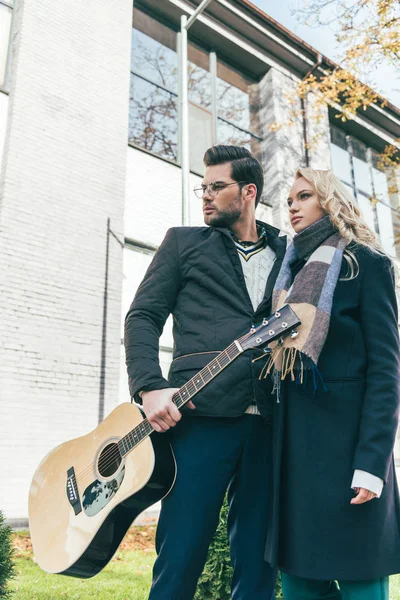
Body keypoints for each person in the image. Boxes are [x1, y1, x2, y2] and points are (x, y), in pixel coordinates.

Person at [124, 144, 286, 600]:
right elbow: (142, 317)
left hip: (273, 423)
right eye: (204, 186)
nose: (206, 195)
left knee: (258, 564)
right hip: (200, 416)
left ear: (248, 191)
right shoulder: (182, 242)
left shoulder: (290, 251)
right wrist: (149, 387)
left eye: (217, 186)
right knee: (181, 554)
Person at [264, 167, 400, 600]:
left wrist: (372, 463)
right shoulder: (285, 274)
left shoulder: (368, 265)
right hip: (295, 455)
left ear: (329, 200)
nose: (292, 207)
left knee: (363, 586)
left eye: (303, 196)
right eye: (289, 200)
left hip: (348, 457)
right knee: (301, 585)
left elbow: (387, 371)